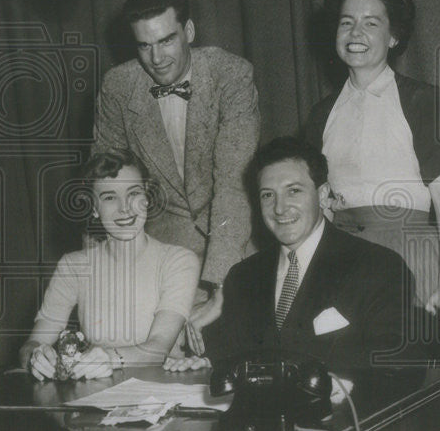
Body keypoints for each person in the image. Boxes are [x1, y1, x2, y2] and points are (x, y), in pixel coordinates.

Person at [93, 0, 260, 353]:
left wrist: (220, 286)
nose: (156, 58)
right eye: (144, 45)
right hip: (161, 254)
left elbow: (233, 182)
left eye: (166, 40)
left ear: (189, 32)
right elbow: (106, 183)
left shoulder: (231, 74)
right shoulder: (118, 86)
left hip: (232, 245)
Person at [165, 137, 416, 373]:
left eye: (293, 191)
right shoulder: (243, 276)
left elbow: (394, 362)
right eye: (267, 195)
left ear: (322, 195)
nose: (279, 208)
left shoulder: (378, 266)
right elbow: (231, 350)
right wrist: (205, 364)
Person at [302, 0, 440, 317]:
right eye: (347, 23)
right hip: (342, 263)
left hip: (409, 258)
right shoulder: (321, 114)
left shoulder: (421, 100)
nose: (355, 33)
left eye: (370, 23)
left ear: (393, 37)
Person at [20, 150, 200, 381]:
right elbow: (33, 343)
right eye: (109, 197)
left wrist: (109, 357)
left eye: (134, 193)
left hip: (160, 392)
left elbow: (158, 349)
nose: (125, 208)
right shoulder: (73, 265)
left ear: (147, 197)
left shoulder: (178, 260)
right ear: (94, 208)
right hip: (96, 394)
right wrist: (36, 356)